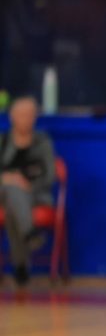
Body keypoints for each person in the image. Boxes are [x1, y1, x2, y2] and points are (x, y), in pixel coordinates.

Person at [0, 96, 56, 287]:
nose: (25, 119)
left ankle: (20, 265)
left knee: (11, 207)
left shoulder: (43, 143)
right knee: (10, 190)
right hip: (4, 191)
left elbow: (50, 176)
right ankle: (29, 233)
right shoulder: (3, 141)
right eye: (21, 115)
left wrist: (28, 186)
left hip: (35, 195)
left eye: (29, 115)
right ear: (12, 117)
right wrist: (8, 179)